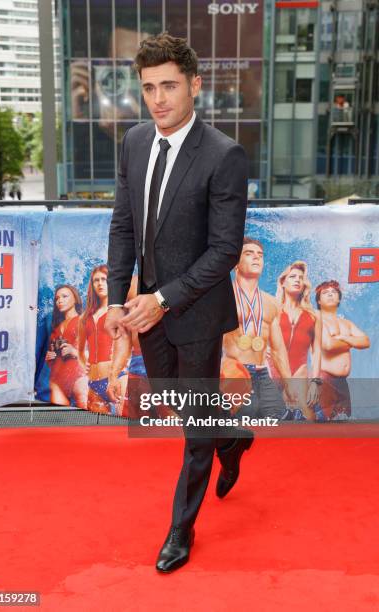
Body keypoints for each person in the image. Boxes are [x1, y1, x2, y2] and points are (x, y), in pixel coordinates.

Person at [105, 33, 249, 573]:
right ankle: (233, 439)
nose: (158, 98)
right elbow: (124, 224)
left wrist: (162, 299)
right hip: (146, 307)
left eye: (169, 85)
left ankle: (181, 529)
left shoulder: (224, 154)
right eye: (148, 87)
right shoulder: (136, 142)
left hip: (197, 308)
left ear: (194, 84)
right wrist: (122, 297)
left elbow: (225, 251)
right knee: (175, 402)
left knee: (193, 427)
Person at [222, 238, 296, 420]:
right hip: (235, 373)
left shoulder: (271, 302)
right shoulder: (222, 298)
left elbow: (278, 349)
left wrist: (289, 384)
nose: (256, 258)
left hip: (262, 372)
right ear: (235, 264)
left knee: (277, 418)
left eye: (260, 255)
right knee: (242, 425)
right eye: (249, 254)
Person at [78, 265, 131, 415]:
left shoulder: (120, 312)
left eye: (104, 279)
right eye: (96, 280)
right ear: (92, 285)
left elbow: (126, 344)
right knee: (99, 430)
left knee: (124, 426)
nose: (100, 283)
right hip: (93, 383)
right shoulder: (84, 318)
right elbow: (81, 350)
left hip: (118, 377)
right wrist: (84, 365)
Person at [315, 280, 370, 419]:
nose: (330, 294)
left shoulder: (347, 323)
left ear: (339, 298)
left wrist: (343, 336)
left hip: (342, 383)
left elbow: (366, 341)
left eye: (333, 292)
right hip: (325, 380)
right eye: (325, 293)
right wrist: (352, 341)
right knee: (324, 424)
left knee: (344, 422)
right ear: (319, 301)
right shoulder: (317, 319)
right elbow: (329, 345)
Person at [274, 261, 322, 420]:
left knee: (308, 413)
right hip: (273, 370)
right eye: (292, 276)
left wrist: (315, 382)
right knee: (275, 417)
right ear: (282, 282)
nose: (297, 280)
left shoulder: (314, 315)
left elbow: (317, 352)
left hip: (299, 370)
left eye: (301, 278)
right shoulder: (272, 309)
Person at [45, 285, 88, 409]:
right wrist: (49, 358)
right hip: (57, 380)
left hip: (78, 377)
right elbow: (50, 363)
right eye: (57, 298)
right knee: (61, 422)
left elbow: (99, 354)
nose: (60, 300)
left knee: (86, 419)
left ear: (75, 299)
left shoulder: (84, 320)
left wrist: (73, 351)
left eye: (64, 296)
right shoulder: (55, 328)